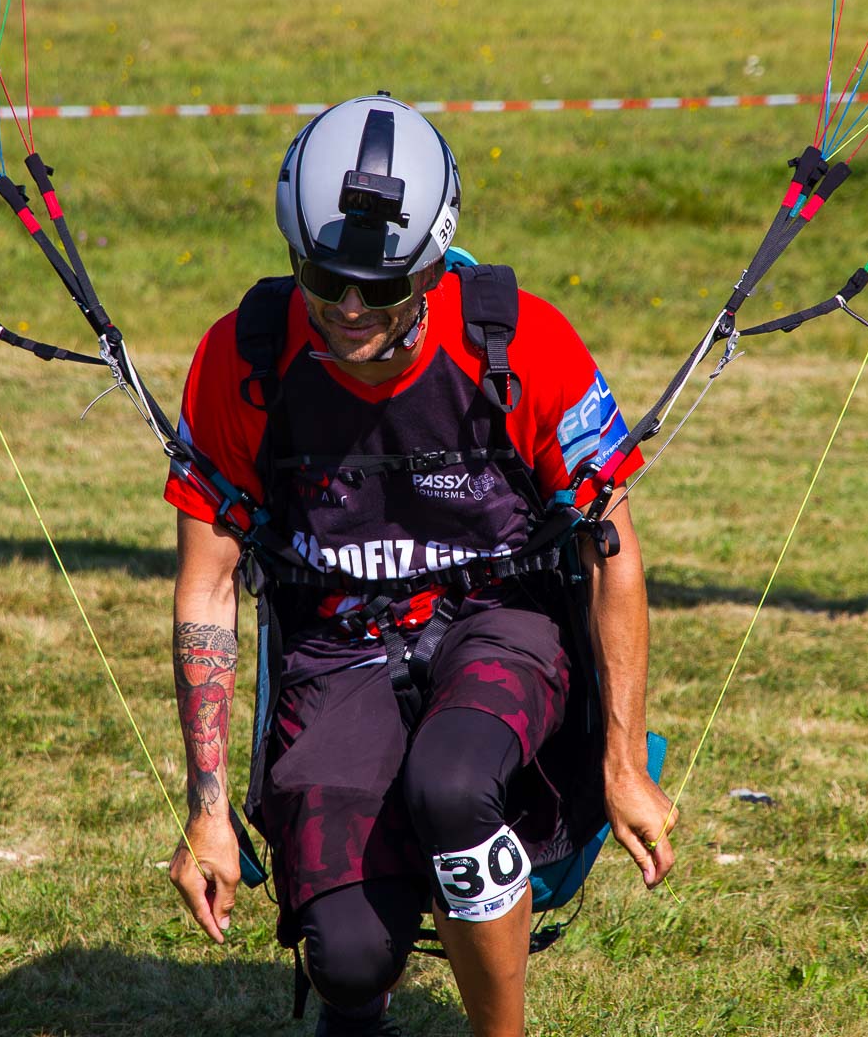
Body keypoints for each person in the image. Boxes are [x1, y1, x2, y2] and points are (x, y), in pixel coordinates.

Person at [163, 93, 677, 1036]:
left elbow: (610, 551)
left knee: (451, 782)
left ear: (434, 269)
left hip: (501, 626)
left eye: (383, 286)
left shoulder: (523, 343)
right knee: (348, 956)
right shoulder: (245, 358)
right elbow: (207, 585)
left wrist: (622, 760)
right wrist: (206, 808)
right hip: (337, 647)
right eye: (325, 279)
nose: (350, 309)